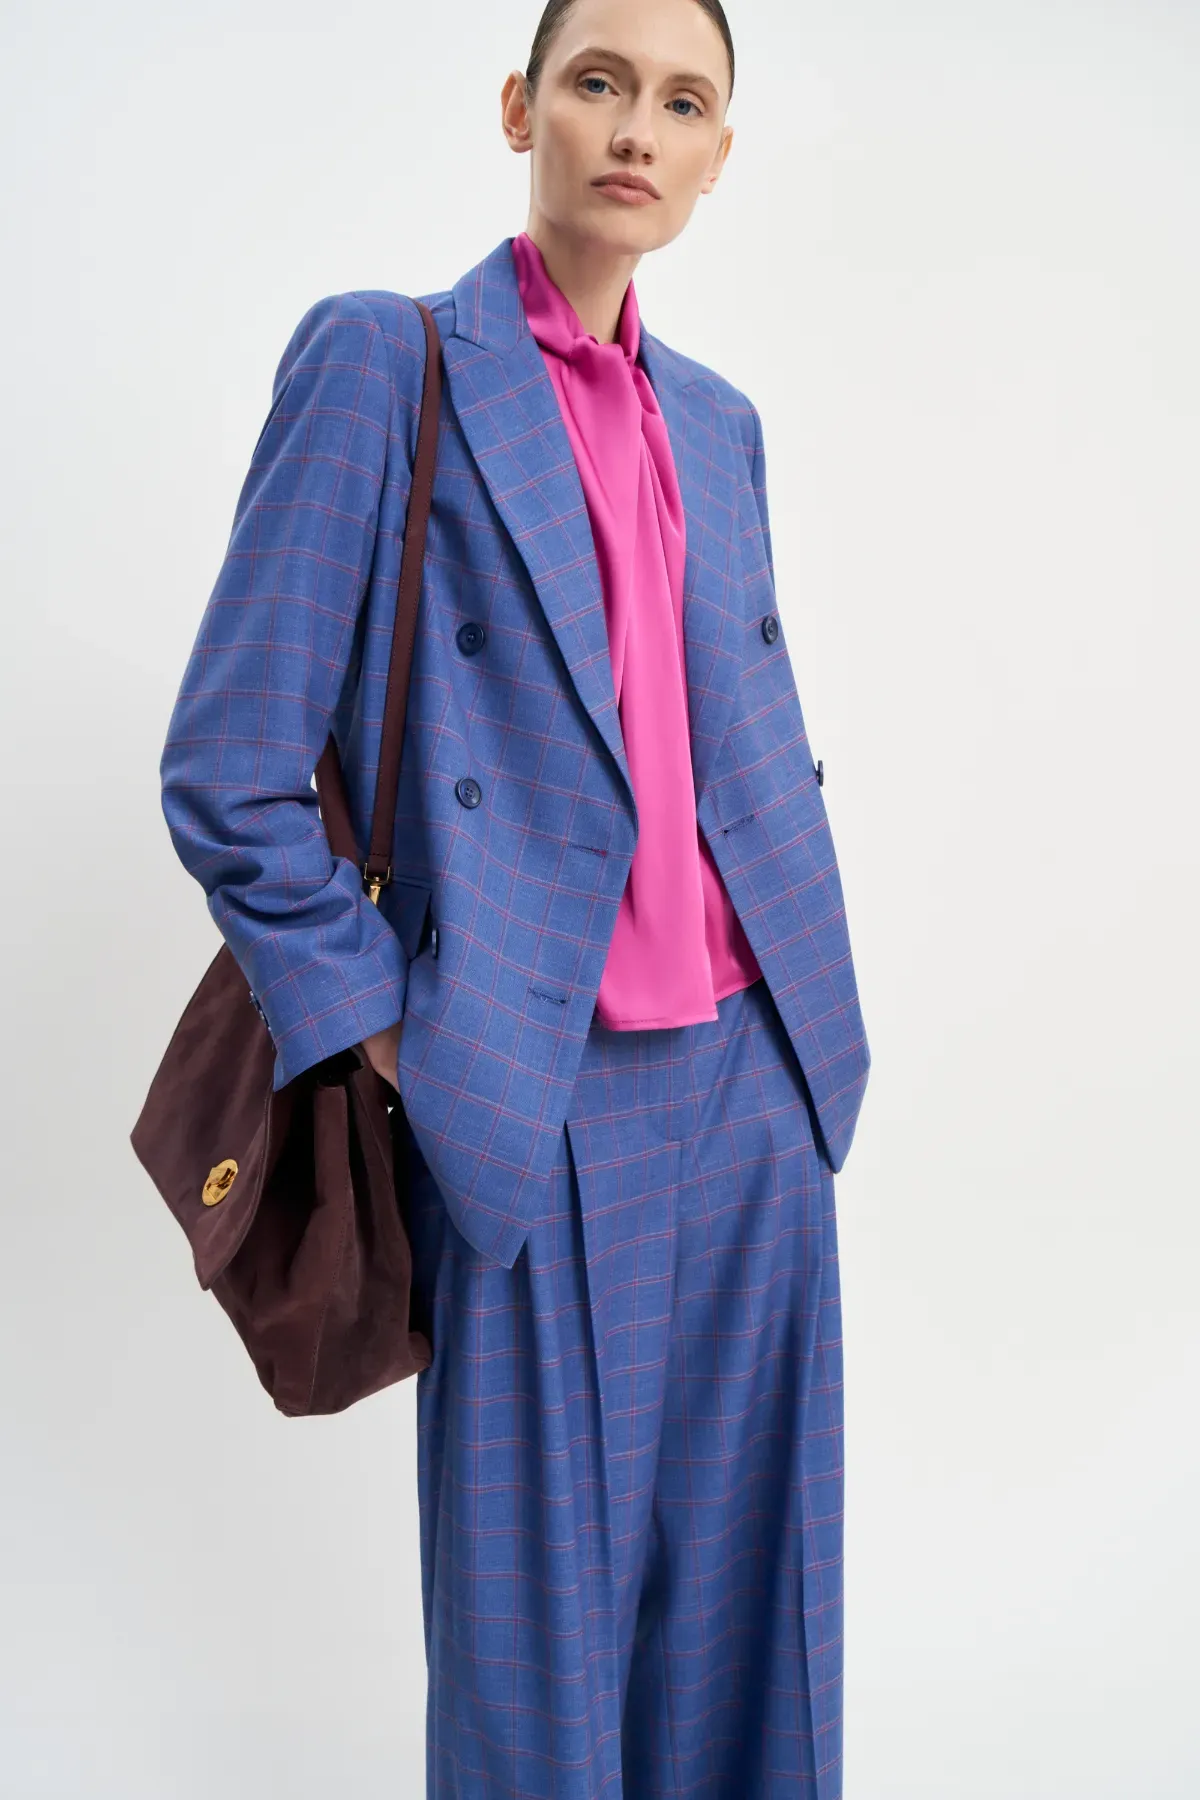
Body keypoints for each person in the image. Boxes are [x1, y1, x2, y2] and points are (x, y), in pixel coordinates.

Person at [158, 0, 870, 1792]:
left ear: (717, 155)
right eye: (599, 83)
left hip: (761, 1084)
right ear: (519, 107)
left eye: (683, 103)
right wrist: (403, 1035)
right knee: (532, 1667)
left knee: (760, 1643)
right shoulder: (383, 363)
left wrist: (799, 1050)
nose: (637, 129)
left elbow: (729, 741)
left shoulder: (720, 424)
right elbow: (229, 765)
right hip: (531, 1097)